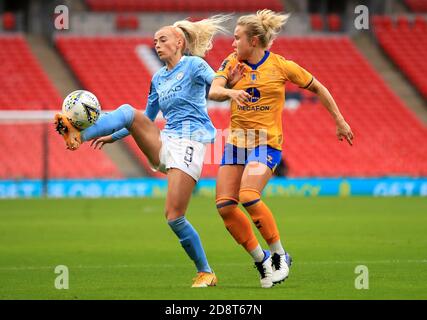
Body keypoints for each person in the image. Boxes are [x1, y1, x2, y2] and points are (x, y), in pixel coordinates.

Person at [54, 15, 233, 288]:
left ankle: (205, 272)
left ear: (179, 42)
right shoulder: (158, 78)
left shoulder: (195, 65)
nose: (157, 45)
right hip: (166, 141)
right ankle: (77, 133)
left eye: (163, 40)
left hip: (191, 143)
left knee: (174, 217)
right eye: (154, 42)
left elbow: (217, 85)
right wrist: (114, 136)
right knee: (128, 111)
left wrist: (231, 88)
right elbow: (144, 118)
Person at [208, 10, 354, 288]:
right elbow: (214, 92)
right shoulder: (231, 63)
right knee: (225, 206)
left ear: (253, 40)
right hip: (237, 144)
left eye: (237, 38)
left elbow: (319, 87)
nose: (232, 43)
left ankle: (279, 255)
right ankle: (261, 259)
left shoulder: (281, 66)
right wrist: (231, 88)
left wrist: (340, 120)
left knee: (248, 195)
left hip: (266, 143)